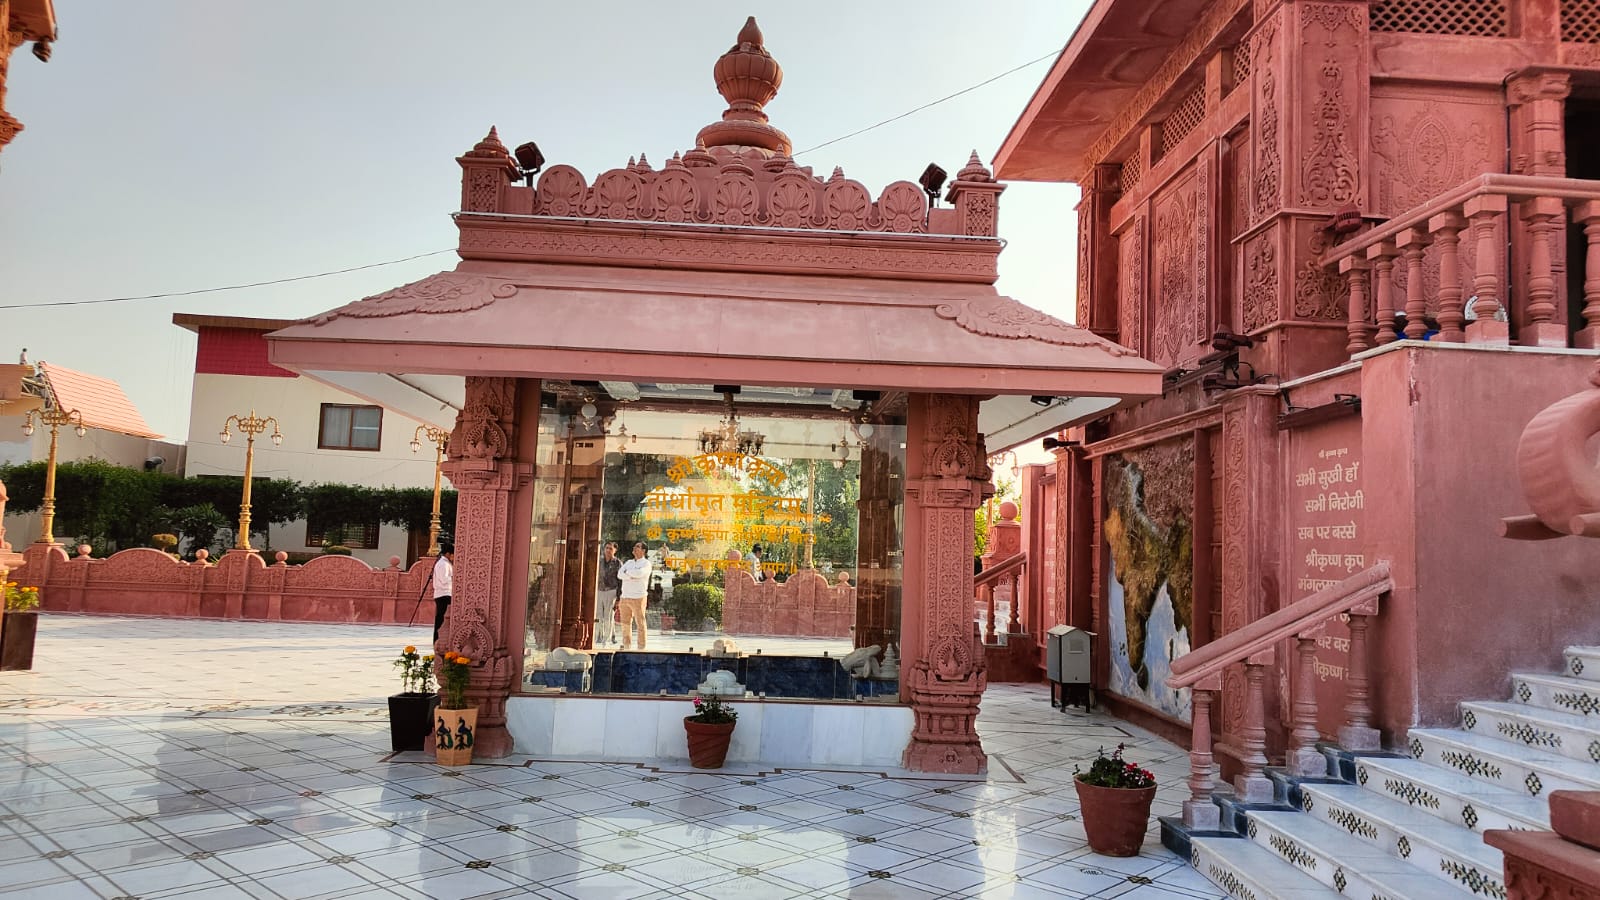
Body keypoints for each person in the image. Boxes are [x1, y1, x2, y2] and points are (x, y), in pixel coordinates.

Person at [617, 542, 653, 650]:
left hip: (638, 597)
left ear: (643, 551)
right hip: (625, 597)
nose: (634, 548)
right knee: (625, 624)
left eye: (637, 547)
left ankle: (641, 647)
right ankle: (627, 646)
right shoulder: (629, 562)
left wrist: (627, 574)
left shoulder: (646, 564)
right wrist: (631, 574)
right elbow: (619, 574)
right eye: (635, 546)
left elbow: (640, 573)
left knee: (640, 623)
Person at [595, 541, 621, 647]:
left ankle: (607, 639)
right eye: (607, 548)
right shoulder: (599, 561)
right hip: (599, 590)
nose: (608, 550)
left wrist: (619, 598)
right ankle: (598, 637)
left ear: (615, 550)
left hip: (611, 591)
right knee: (598, 616)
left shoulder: (617, 563)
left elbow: (620, 581)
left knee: (608, 616)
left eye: (611, 548)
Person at [431, 540, 454, 642]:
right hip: (443, 594)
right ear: (448, 553)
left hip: (446, 593)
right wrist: (454, 579)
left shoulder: (446, 563)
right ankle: (438, 639)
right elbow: (444, 579)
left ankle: (439, 638)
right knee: (441, 617)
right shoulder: (443, 564)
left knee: (442, 617)